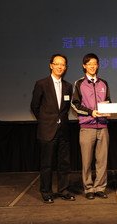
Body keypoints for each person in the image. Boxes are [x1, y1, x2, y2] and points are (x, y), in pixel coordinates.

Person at [30, 53, 75, 203]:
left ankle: (64, 190)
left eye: (63, 64)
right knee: (47, 164)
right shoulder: (41, 84)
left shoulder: (68, 86)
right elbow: (35, 106)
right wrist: (45, 121)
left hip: (63, 130)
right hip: (47, 130)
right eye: (57, 64)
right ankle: (46, 192)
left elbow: (66, 108)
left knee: (64, 163)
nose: (60, 67)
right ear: (51, 65)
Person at [71, 53, 111, 200]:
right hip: (87, 127)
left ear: (98, 65)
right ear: (84, 66)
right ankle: (88, 188)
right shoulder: (79, 83)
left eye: (95, 63)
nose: (92, 66)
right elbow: (75, 105)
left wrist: (108, 112)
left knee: (102, 160)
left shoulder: (103, 83)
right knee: (86, 160)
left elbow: (107, 101)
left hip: (103, 127)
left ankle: (100, 187)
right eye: (89, 64)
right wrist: (91, 112)